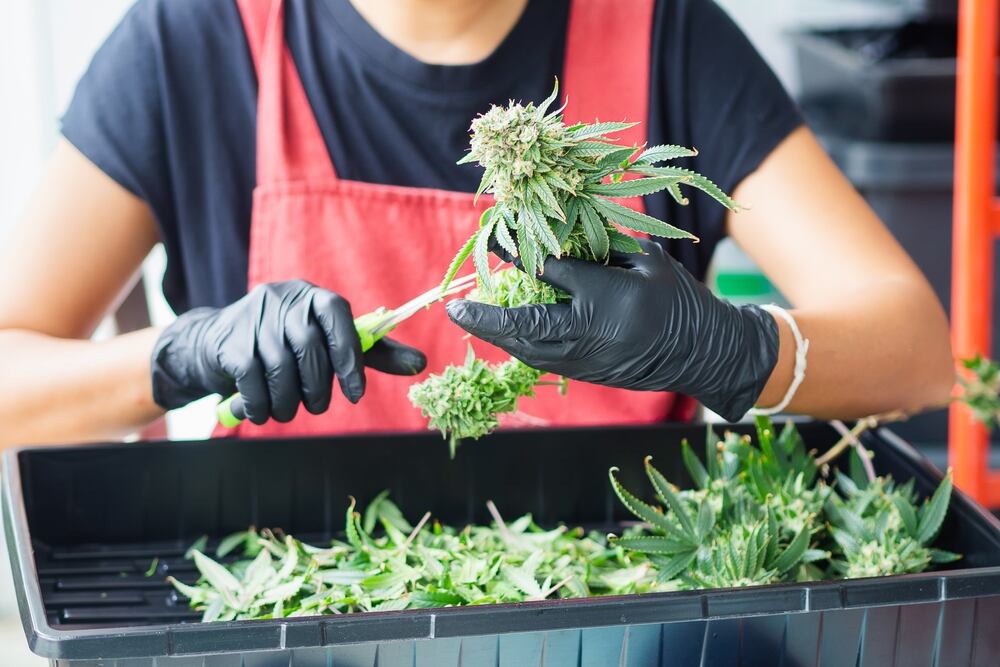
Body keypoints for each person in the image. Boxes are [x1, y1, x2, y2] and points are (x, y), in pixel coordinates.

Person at [0, 0, 954, 447]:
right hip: (291, 616)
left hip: (618, 611)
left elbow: (915, 349)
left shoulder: (671, 35)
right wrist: (182, 356)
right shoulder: (190, 43)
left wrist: (724, 348)